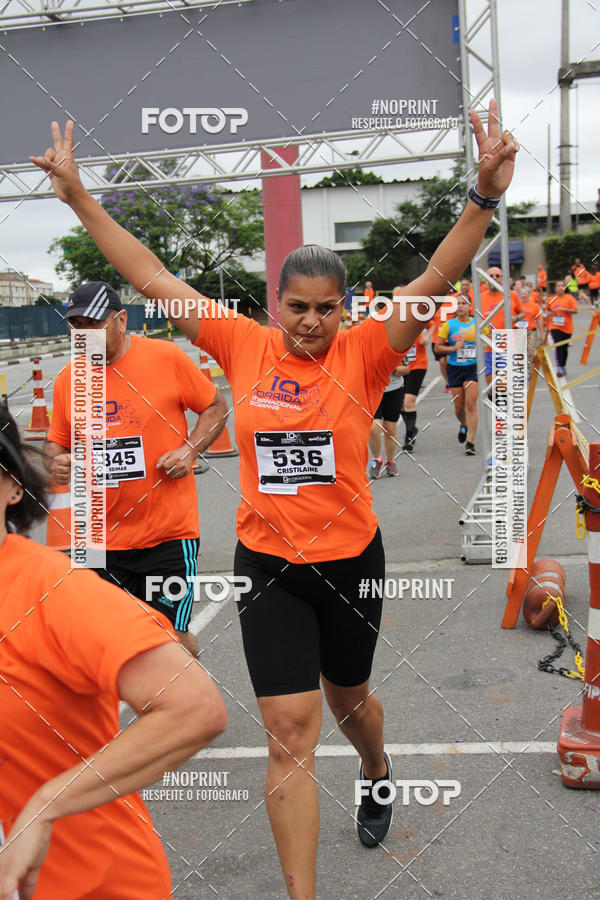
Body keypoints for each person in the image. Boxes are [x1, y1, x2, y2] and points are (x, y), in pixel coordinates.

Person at [31, 106, 517, 899]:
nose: (312, 322)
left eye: (327, 308)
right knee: (289, 732)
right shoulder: (240, 343)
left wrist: (482, 198)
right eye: (298, 307)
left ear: (345, 307)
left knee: (349, 700)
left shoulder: (365, 351)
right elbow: (153, 275)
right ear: (275, 303)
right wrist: (82, 198)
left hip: (351, 561)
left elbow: (435, 278)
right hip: (268, 566)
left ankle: (376, 765)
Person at [0, 406, 227, 900]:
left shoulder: (52, 588)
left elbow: (194, 707)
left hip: (90, 883)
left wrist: (46, 805)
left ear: (12, 486)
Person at [43, 283, 229, 657]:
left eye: (92, 324)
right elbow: (55, 443)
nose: (83, 334)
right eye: (75, 325)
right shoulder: (68, 380)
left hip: (166, 536)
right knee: (102, 644)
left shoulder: (165, 357)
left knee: (170, 640)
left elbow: (215, 407)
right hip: (96, 541)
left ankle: (191, 706)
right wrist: (56, 462)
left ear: (121, 320)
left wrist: (189, 451)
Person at [435, 294, 480, 455]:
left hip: (472, 367)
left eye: (464, 303)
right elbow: (437, 348)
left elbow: (491, 338)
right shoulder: (448, 325)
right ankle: (464, 424)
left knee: (470, 404)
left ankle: (470, 442)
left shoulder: (478, 323)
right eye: (458, 303)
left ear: (470, 307)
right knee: (459, 408)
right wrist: (453, 349)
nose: (460, 306)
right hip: (454, 368)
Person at [479, 266, 523, 393]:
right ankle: (496, 411)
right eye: (490, 276)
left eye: (497, 276)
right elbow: (473, 319)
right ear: (486, 279)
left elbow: (522, 313)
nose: (494, 278)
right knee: (491, 387)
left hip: (507, 345)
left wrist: (516, 318)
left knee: (504, 385)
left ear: (501, 278)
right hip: (488, 346)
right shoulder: (480, 297)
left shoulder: (511, 295)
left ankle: (505, 412)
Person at [367, 361, 409, 478]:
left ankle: (390, 461)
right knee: (373, 428)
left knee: (390, 429)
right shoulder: (367, 347)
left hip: (394, 390)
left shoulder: (394, 346)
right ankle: (376, 459)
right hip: (373, 391)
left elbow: (407, 369)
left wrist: (389, 368)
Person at [400, 327, 431, 452]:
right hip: (401, 367)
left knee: (409, 401)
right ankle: (411, 427)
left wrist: (427, 336)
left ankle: (409, 438)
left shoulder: (416, 315)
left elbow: (433, 324)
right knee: (401, 404)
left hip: (418, 365)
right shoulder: (392, 318)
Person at [544, 279, 578, 376]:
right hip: (554, 326)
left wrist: (563, 309)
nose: (560, 288)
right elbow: (546, 310)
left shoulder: (569, 298)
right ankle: (559, 367)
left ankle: (563, 365)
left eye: (562, 286)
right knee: (558, 345)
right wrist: (548, 313)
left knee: (564, 348)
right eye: (558, 286)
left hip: (567, 327)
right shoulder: (551, 299)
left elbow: (575, 311)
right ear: (555, 288)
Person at [516, 285, 543, 380]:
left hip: (531, 331)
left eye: (525, 294)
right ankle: (520, 371)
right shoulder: (516, 305)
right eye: (522, 294)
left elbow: (539, 320)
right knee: (519, 352)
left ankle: (528, 371)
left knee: (530, 351)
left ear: (529, 295)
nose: (523, 295)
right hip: (518, 331)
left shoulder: (535, 306)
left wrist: (542, 334)